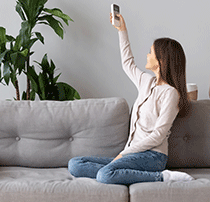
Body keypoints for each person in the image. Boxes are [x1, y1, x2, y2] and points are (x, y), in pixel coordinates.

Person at [67, 13, 195, 185]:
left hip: (152, 156)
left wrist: (123, 154)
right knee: (75, 164)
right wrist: (122, 30)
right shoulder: (146, 82)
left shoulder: (170, 93)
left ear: (161, 62)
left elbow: (157, 136)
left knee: (105, 175)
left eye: (151, 52)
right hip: (131, 154)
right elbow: (128, 63)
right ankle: (120, 172)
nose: (147, 55)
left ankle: (164, 177)